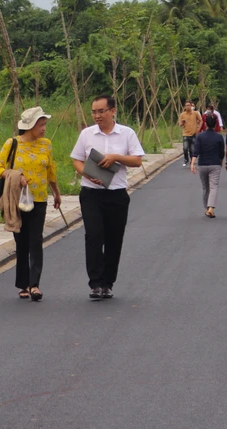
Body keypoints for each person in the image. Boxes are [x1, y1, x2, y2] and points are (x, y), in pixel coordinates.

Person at [71, 95, 146, 300]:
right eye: (94, 112)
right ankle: (95, 282)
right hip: (91, 194)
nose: (97, 116)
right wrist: (86, 173)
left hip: (116, 194)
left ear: (113, 111)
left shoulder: (126, 134)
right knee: (93, 235)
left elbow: (137, 160)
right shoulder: (87, 134)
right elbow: (76, 159)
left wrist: (116, 157)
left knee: (114, 239)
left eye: (101, 111)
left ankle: (108, 283)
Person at [0, 106, 63, 302]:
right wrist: (16, 176)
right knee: (21, 243)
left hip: (39, 199)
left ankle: (35, 285)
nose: (44, 128)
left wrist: (56, 193)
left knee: (36, 241)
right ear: (30, 126)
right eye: (41, 125)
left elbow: (50, 170)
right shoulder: (12, 143)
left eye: (45, 124)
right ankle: (22, 284)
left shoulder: (46, 144)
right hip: (18, 201)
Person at [192, 114, 225, 218]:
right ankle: (211, 208)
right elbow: (221, 153)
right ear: (216, 124)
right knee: (214, 186)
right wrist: (221, 161)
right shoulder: (219, 137)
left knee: (205, 187)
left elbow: (196, 151)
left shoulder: (200, 136)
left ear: (205, 123)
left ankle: (207, 208)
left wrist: (193, 163)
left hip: (202, 164)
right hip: (215, 164)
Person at [179, 101, 203, 168]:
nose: (188, 107)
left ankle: (192, 161)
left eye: (189, 105)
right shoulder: (182, 114)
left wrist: (199, 128)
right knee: (185, 148)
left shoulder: (195, 113)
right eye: (186, 105)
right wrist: (182, 123)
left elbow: (201, 120)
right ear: (185, 106)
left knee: (192, 149)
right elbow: (180, 124)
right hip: (185, 133)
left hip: (193, 134)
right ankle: (186, 159)